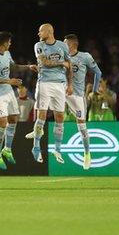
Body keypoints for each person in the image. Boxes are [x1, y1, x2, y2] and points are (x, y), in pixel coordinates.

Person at [0, 31, 36, 169]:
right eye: (9, 42)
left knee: (14, 118)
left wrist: (28, 67)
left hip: (8, 91)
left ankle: (7, 149)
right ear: (5, 42)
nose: (10, 44)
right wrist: (9, 81)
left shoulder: (6, 54)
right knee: (2, 123)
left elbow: (13, 66)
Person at [30, 23, 72, 164]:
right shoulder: (38, 46)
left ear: (49, 31)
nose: (38, 33)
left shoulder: (63, 45)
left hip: (60, 84)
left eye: (40, 31)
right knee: (42, 114)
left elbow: (70, 65)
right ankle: (36, 147)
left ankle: (58, 150)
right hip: (44, 83)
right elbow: (45, 63)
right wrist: (61, 63)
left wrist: (70, 84)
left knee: (60, 116)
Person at [63, 34, 102, 169]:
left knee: (81, 125)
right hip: (62, 92)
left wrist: (95, 89)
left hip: (77, 96)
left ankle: (87, 153)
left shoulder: (85, 56)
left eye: (65, 43)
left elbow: (98, 72)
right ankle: (37, 136)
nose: (62, 45)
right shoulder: (61, 57)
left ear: (72, 44)